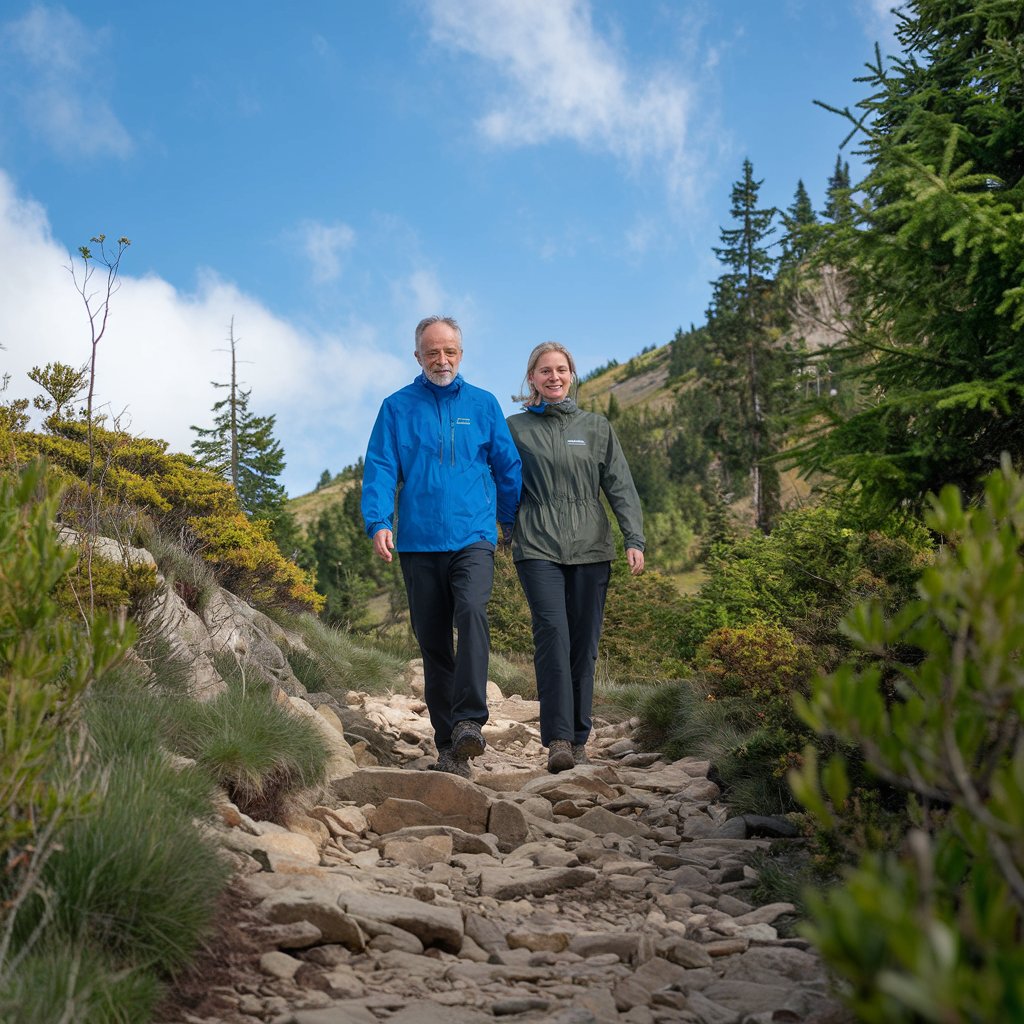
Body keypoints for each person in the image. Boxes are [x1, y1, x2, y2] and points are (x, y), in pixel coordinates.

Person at [362, 315, 522, 778]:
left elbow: (508, 466)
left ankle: (470, 720)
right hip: (418, 541)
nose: (442, 359)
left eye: (449, 351)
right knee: (433, 642)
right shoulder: (396, 407)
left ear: (461, 354)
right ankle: (449, 746)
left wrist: (507, 520)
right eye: (432, 352)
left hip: (473, 536)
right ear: (418, 356)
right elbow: (380, 467)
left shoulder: (483, 404)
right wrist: (378, 521)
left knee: (471, 612)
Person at [507, 341, 645, 774]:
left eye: (561, 370)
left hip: (591, 547)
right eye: (545, 371)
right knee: (553, 635)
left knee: (584, 644)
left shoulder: (596, 427)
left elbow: (620, 485)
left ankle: (580, 738)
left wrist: (634, 538)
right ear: (532, 378)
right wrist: (504, 527)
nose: (554, 377)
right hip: (537, 545)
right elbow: (496, 481)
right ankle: (559, 740)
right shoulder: (515, 428)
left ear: (571, 375)